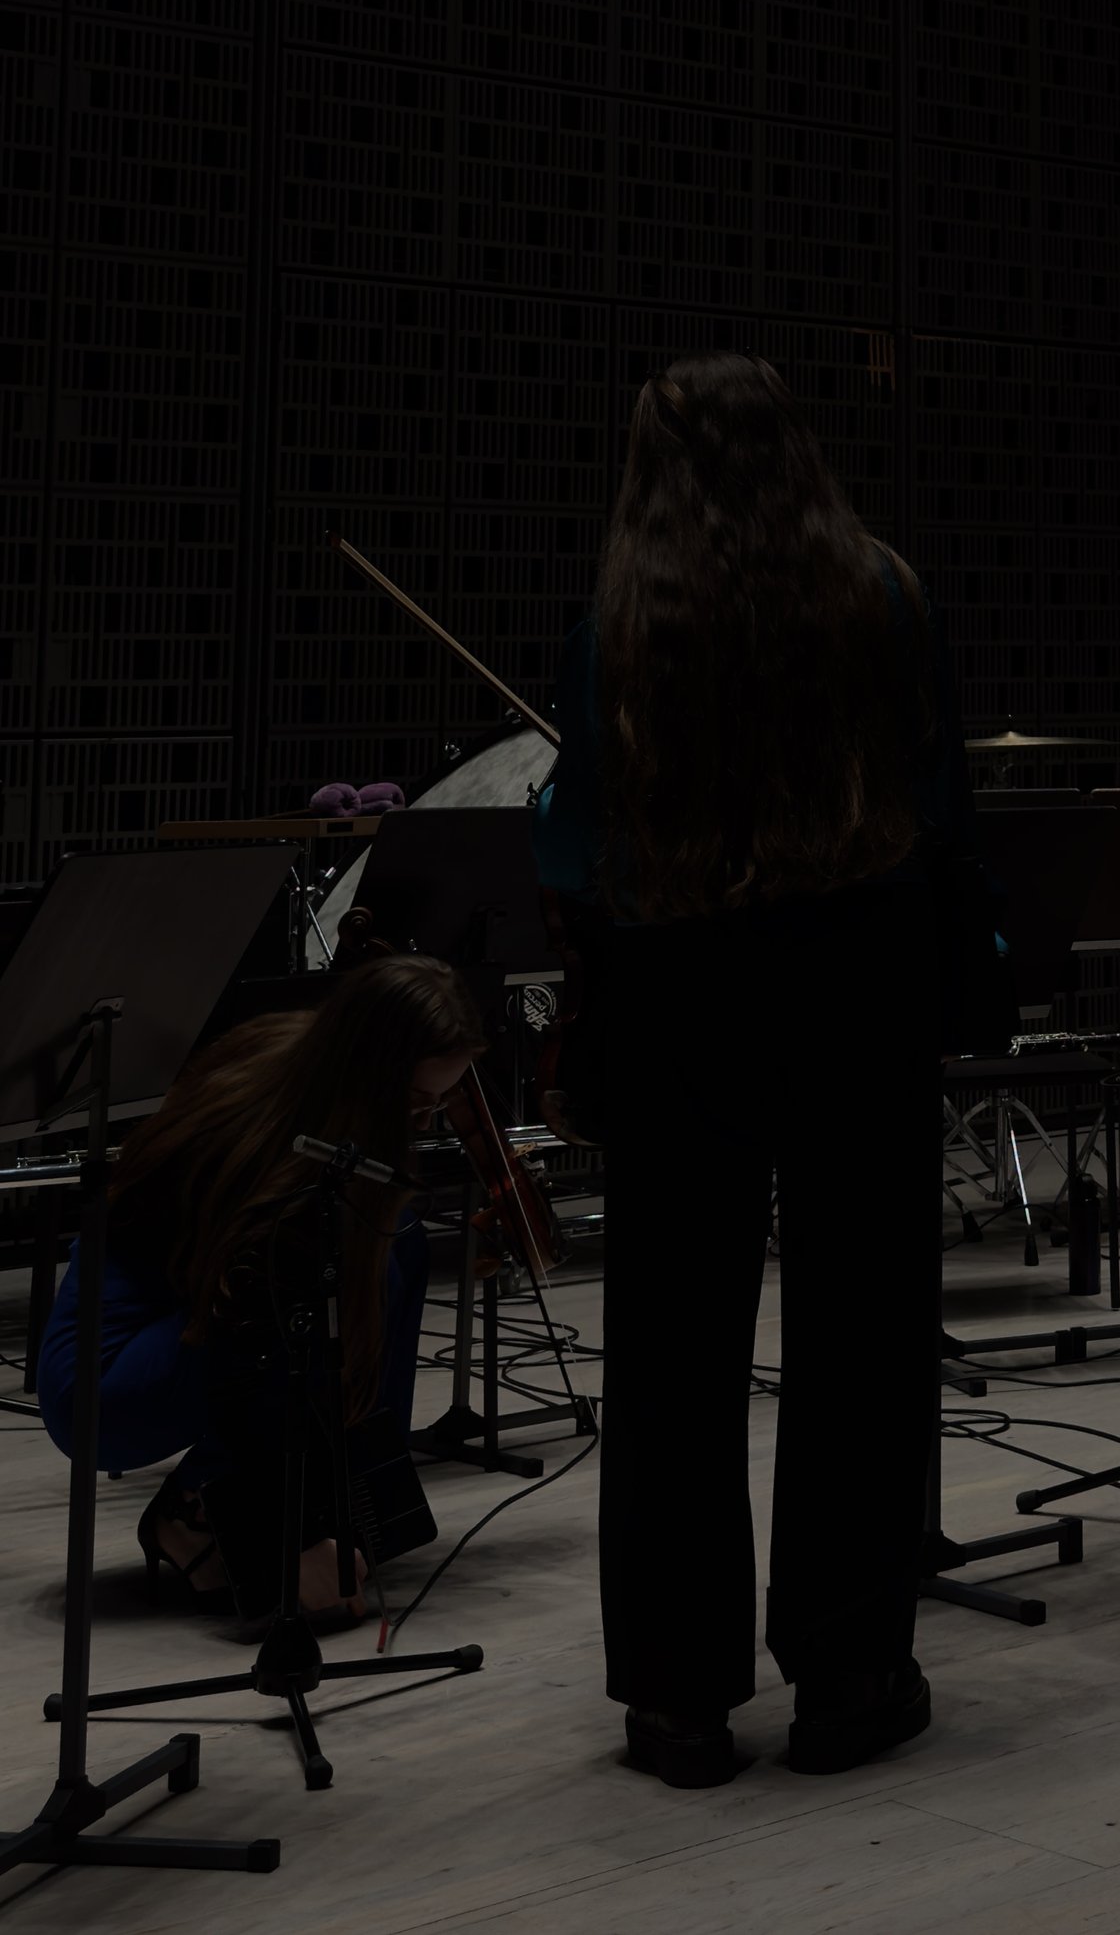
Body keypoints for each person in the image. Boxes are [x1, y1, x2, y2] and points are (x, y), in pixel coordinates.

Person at [535, 352, 966, 1791]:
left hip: (678, 1001)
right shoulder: (884, 595)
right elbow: (937, 800)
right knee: (864, 1336)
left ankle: (678, 1700)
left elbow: (575, 852)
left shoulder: (621, 630)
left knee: (672, 1349)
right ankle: (850, 1675)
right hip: (861, 989)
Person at [38, 952, 483, 1620]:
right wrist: (294, 1537)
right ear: (365, 1070)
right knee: (350, 1260)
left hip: (202, 1329)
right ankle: (199, 1507)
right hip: (106, 1383)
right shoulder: (269, 1127)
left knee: (399, 1235)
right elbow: (260, 1333)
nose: (424, 1125)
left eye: (438, 1105)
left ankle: (344, 1487)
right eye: (417, 1104)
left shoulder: (324, 1093)